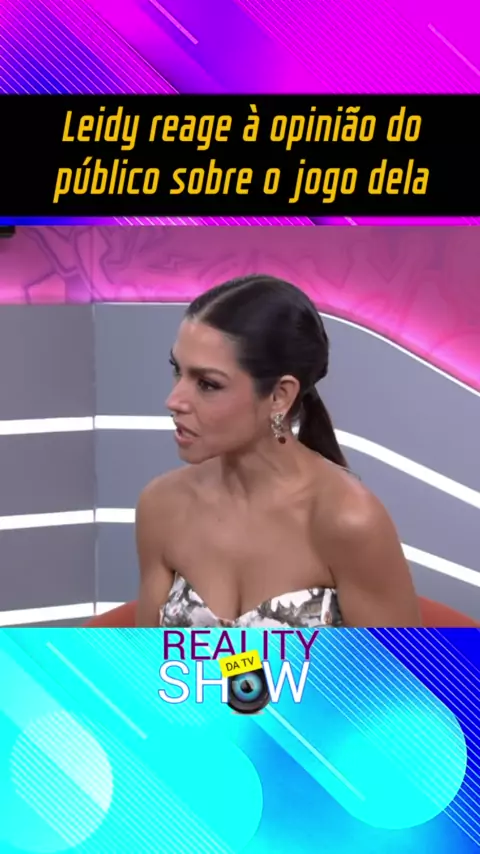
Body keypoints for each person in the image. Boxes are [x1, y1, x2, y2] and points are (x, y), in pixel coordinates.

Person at [135, 274, 421, 628]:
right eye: (177, 371)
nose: (174, 400)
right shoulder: (161, 506)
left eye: (207, 384)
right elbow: (148, 659)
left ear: (279, 396)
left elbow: (397, 665)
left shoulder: (349, 522)